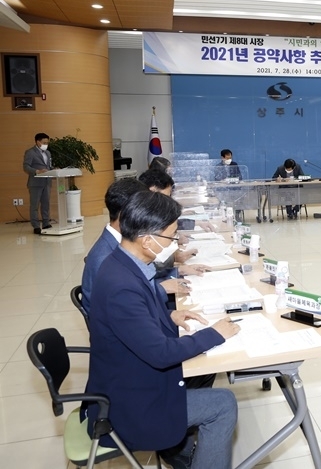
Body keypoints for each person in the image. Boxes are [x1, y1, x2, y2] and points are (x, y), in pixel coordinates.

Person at [84, 191, 240, 469]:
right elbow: (160, 353)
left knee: (203, 369)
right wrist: (215, 334)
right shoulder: (121, 285)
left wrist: (169, 315)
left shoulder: (124, 263)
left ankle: (185, 451)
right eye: (171, 236)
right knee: (224, 404)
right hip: (129, 404)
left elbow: (133, 321)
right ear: (147, 240)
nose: (175, 242)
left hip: (131, 379)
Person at [82, 178, 149, 314]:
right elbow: (124, 305)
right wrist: (161, 289)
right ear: (125, 214)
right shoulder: (105, 258)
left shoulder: (121, 241)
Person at [22, 132, 52, 234]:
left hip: (47, 182)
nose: (46, 144)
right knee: (34, 205)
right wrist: (37, 171)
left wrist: (53, 169)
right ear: (38, 142)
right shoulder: (30, 152)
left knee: (46, 204)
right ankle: (36, 226)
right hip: (35, 183)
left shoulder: (48, 153)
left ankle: (46, 223)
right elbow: (26, 166)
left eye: (47, 143)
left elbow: (48, 166)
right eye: (44, 142)